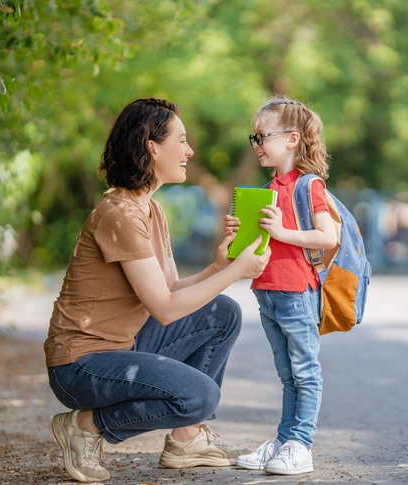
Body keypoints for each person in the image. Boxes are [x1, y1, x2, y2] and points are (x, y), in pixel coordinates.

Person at [44, 97, 271, 483]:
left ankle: (187, 440)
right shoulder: (118, 213)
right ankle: (86, 425)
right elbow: (165, 309)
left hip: (123, 347)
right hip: (80, 365)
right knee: (199, 397)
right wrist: (236, 273)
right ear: (153, 146)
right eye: (181, 141)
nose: (190, 151)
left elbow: (168, 290)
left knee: (222, 313)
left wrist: (221, 267)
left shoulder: (150, 209)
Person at [223, 96, 337, 475]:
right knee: (287, 374)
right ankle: (284, 440)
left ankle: (301, 445)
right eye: (253, 138)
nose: (256, 145)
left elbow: (328, 236)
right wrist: (239, 236)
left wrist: (282, 231)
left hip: (296, 292)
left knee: (305, 372)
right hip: (267, 291)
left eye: (262, 137)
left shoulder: (310, 186)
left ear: (291, 139)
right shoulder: (266, 188)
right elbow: (257, 244)